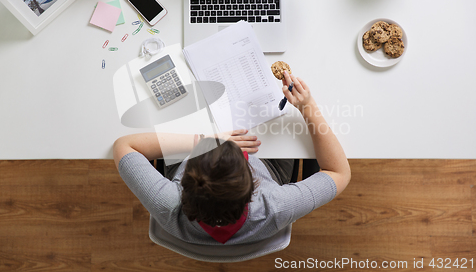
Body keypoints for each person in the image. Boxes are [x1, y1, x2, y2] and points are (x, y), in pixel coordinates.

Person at [113, 71, 350, 245]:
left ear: (182, 185)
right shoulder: (276, 205)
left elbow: (124, 145)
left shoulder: (166, 203)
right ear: (253, 186)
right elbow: (339, 172)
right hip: (269, 167)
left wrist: (204, 140)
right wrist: (308, 106)